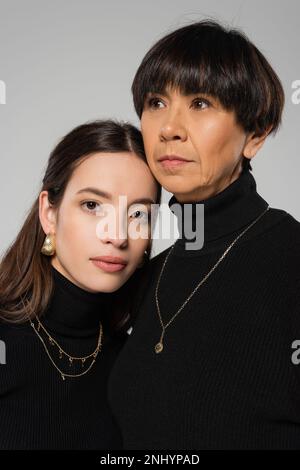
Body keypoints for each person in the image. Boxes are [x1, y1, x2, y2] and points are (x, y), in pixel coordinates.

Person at [107, 20, 300, 449]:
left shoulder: (290, 260)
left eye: (200, 103)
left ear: (256, 133)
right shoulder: (145, 277)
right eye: (156, 102)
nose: (169, 128)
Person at [0, 119, 161, 449]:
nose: (116, 236)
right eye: (92, 206)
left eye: (138, 214)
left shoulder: (132, 360)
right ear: (49, 213)